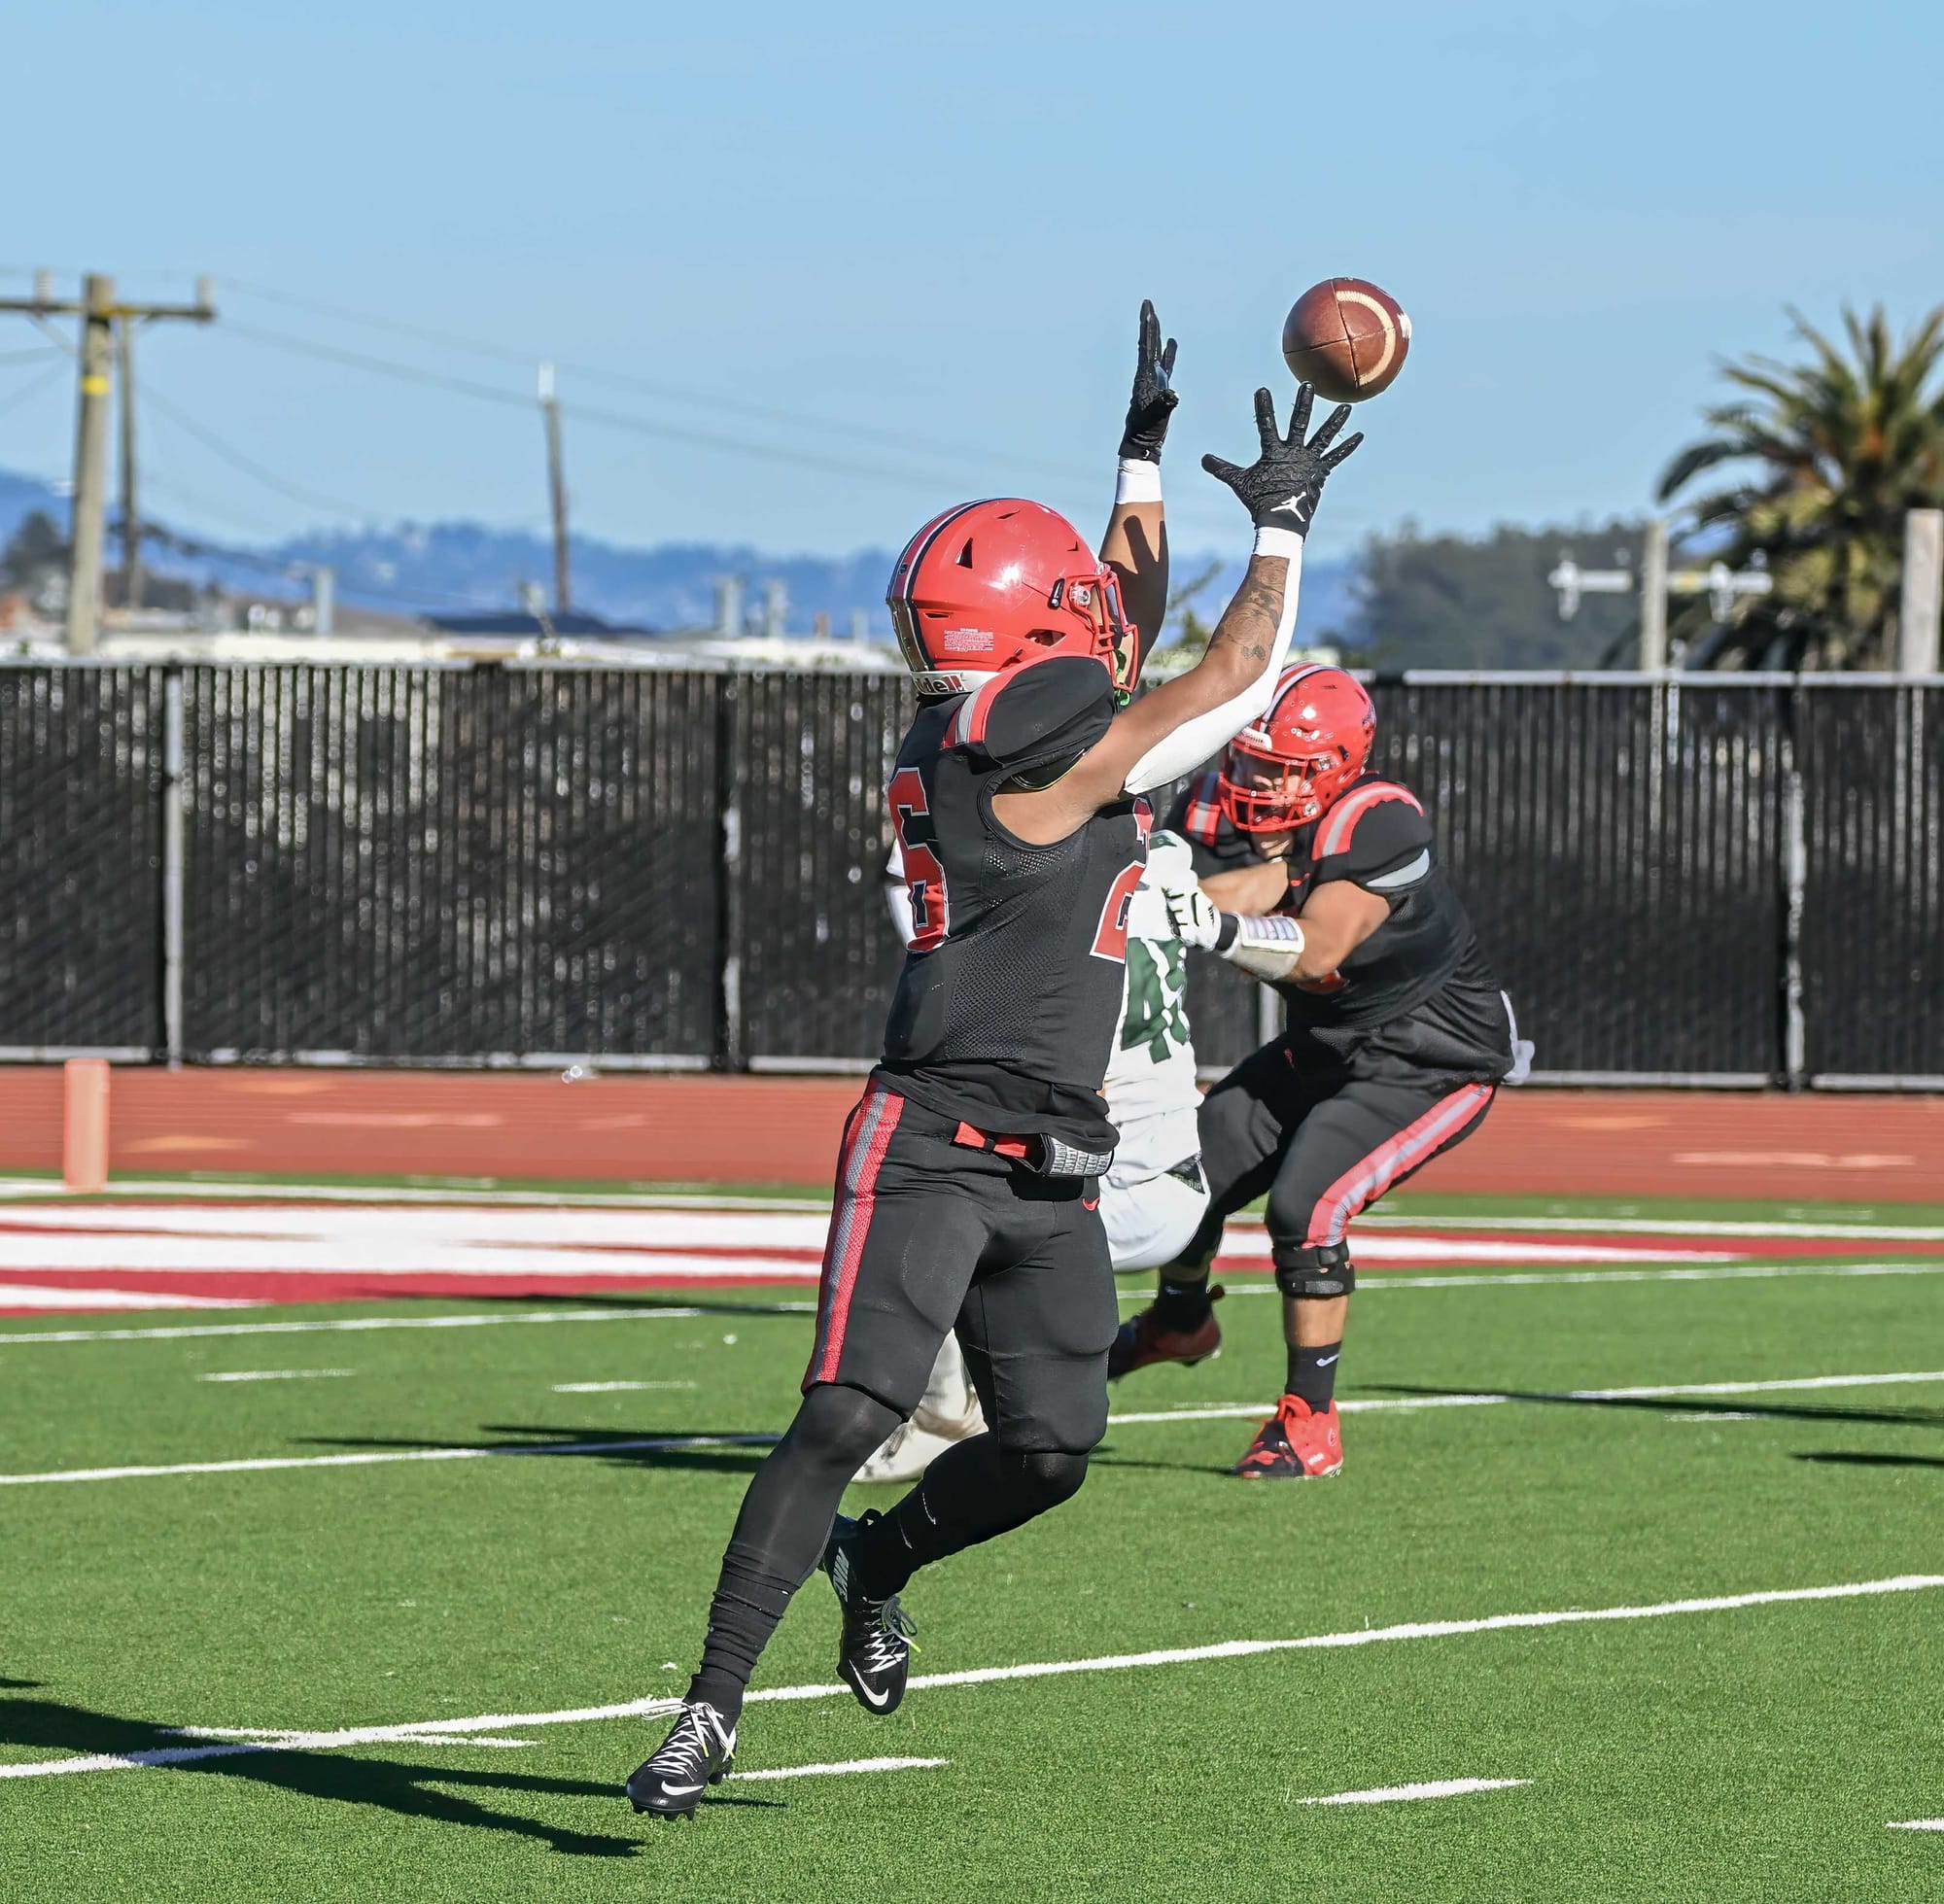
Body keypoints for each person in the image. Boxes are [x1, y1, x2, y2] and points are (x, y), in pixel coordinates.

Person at [628, 302, 1364, 1817]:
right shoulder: (1027, 754)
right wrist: (1284, 528)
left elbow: (1120, 629)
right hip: (932, 1140)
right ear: (1034, 638)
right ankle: (711, 1704)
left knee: (1051, 1449)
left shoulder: (996, 731)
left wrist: (1139, 459)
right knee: (846, 1412)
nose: (1101, 623)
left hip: (1055, 1159)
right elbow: (1226, 672)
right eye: (1073, 607)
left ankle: (876, 1563)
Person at [1112, 663, 1530, 1479]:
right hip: (1325, 1047)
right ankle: (1180, 1319)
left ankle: (1310, 1423)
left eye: (1282, 769)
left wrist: (1206, 918)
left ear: (1334, 767)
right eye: (1252, 759)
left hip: (1430, 1059)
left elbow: (1317, 945)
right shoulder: (1215, 804)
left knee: (1308, 1205)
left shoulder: (1378, 819)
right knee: (1182, 1171)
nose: (1258, 781)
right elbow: (1218, 884)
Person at [858, 824, 1210, 1484]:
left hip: (1127, 1186)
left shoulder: (1063, 916)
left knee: (939, 1236)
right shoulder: (1163, 856)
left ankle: (942, 1421)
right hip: (1177, 1180)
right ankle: (990, 1406)